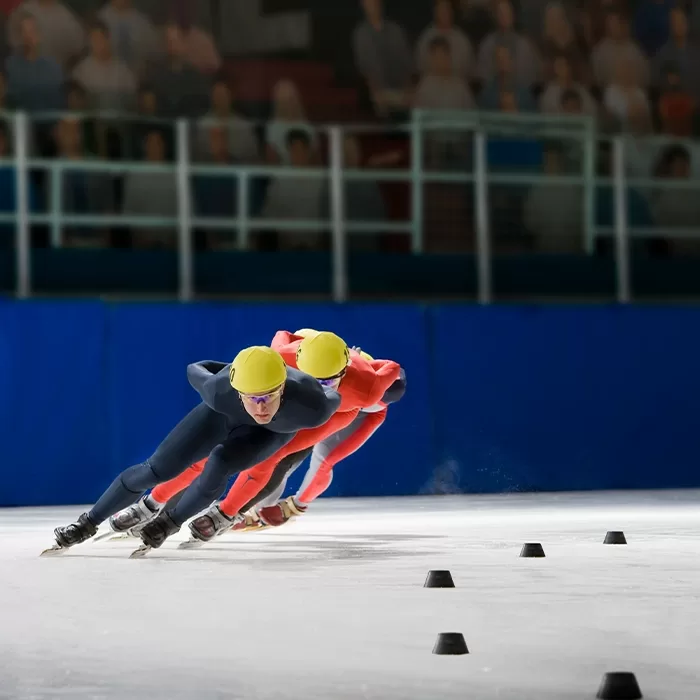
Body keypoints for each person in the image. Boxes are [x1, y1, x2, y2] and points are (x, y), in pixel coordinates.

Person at [46, 344, 341, 554]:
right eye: (251, 397)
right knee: (157, 469)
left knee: (220, 464)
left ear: (284, 388)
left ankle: (168, 523)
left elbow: (336, 395)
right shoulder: (218, 389)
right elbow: (195, 369)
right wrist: (228, 373)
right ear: (237, 389)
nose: (260, 407)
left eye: (268, 396)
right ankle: (86, 523)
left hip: (270, 435)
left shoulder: (313, 405)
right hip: (220, 416)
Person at [114, 330, 402, 545]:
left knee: (274, 456)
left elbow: (394, 371)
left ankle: (225, 513)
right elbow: (282, 336)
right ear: (297, 361)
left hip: (335, 412)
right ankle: (153, 502)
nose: (316, 387)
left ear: (345, 371)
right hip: (284, 400)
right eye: (310, 377)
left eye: (327, 381)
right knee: (213, 449)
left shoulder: (367, 386)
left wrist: (368, 361)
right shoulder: (284, 354)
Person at [245, 352, 407, 531]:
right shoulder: (331, 367)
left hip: (360, 413)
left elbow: (396, 377)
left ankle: (297, 505)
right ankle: (258, 506)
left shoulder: (373, 384)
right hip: (333, 402)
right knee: (285, 454)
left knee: (324, 458)